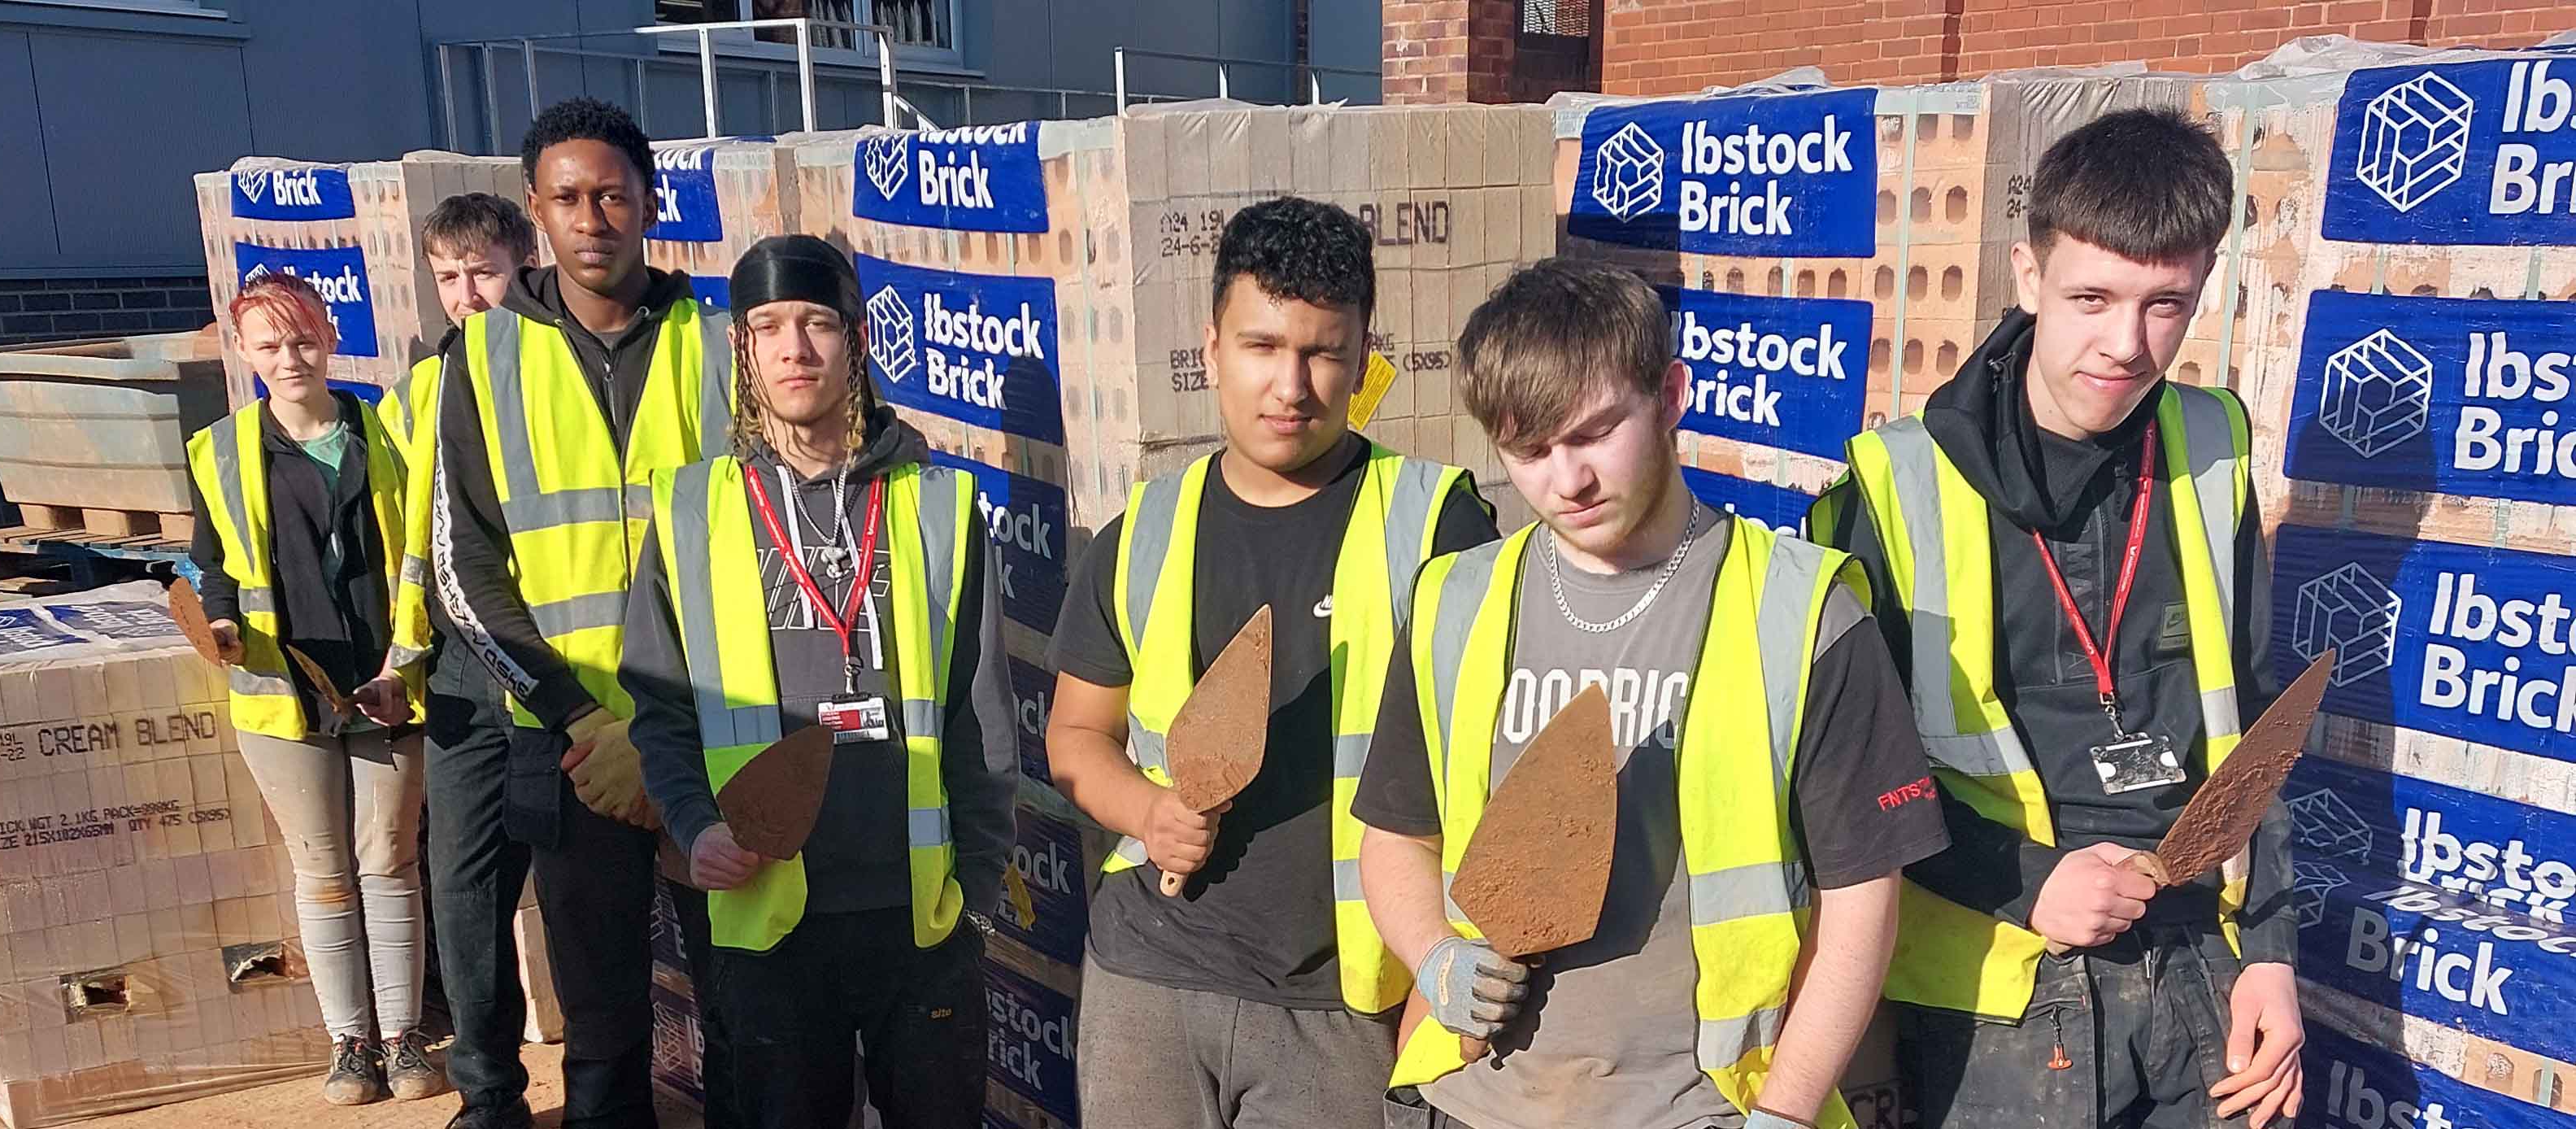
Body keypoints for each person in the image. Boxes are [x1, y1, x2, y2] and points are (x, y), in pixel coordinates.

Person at [1352, 259, 1946, 1129]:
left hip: (1697, 1108)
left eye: (1595, 434)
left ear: (1670, 394)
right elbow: (1397, 834)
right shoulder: (1454, 601)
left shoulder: (1803, 612)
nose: (1568, 481)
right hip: (1472, 1101)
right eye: (1530, 450)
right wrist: (1435, 955)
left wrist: (1784, 1110)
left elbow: (1862, 902)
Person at [1809, 108, 2304, 1129]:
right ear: (2030, 279)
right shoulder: (1898, 484)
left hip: (2199, 974)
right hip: (1997, 999)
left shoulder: (2210, 446)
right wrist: (2030, 880)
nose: (2126, 345)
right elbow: (1849, 780)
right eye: (2092, 297)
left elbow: (2262, 722)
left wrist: (2273, 951)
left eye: (2166, 304)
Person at [1045, 196, 1499, 1129]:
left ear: (1366, 357)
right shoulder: (1142, 533)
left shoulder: (1437, 526)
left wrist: (1436, 969)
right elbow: (1076, 733)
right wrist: (1150, 811)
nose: (1291, 384)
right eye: (1261, 347)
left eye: (1323, 352)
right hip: (1150, 980)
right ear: (1211, 350)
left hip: (1342, 1004)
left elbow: (1488, 766)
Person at [620, 233, 1016, 1129]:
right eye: (768, 327)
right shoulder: (692, 510)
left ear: (858, 339)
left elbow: (981, 716)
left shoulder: (939, 503)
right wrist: (693, 823)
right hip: (770, 919)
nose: (795, 347)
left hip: (918, 921)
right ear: (744, 350)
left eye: (816, 323)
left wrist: (977, 900)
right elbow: (661, 707)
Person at [429, 96, 733, 1129]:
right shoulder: (479, 358)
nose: (592, 215)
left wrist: (674, 729)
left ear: (649, 202)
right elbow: (463, 570)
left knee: (747, 1011)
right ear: (535, 211)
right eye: (568, 197)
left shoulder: (723, 344)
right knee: (602, 1030)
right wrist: (579, 716)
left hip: (712, 733)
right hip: (564, 746)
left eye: (612, 194)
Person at [188, 271, 445, 1106]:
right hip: (284, 693)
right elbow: (216, 567)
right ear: (244, 353)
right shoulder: (219, 450)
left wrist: (403, 665)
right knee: (326, 871)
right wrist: (220, 628)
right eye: (269, 345)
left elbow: (423, 554)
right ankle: (350, 1043)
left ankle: (405, 1039)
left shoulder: (387, 435)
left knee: (391, 862)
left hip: (387, 682)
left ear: (330, 337)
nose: (289, 357)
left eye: (302, 339)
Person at [375, 193, 575, 1128]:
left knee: (583, 889)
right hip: (460, 672)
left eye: (483, 272)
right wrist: (399, 655)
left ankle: (605, 1092)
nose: (467, 294)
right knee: (464, 892)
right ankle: (490, 1095)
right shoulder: (417, 390)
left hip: (561, 666)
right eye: (449, 278)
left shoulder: (563, 370)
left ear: (526, 262)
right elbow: (407, 541)